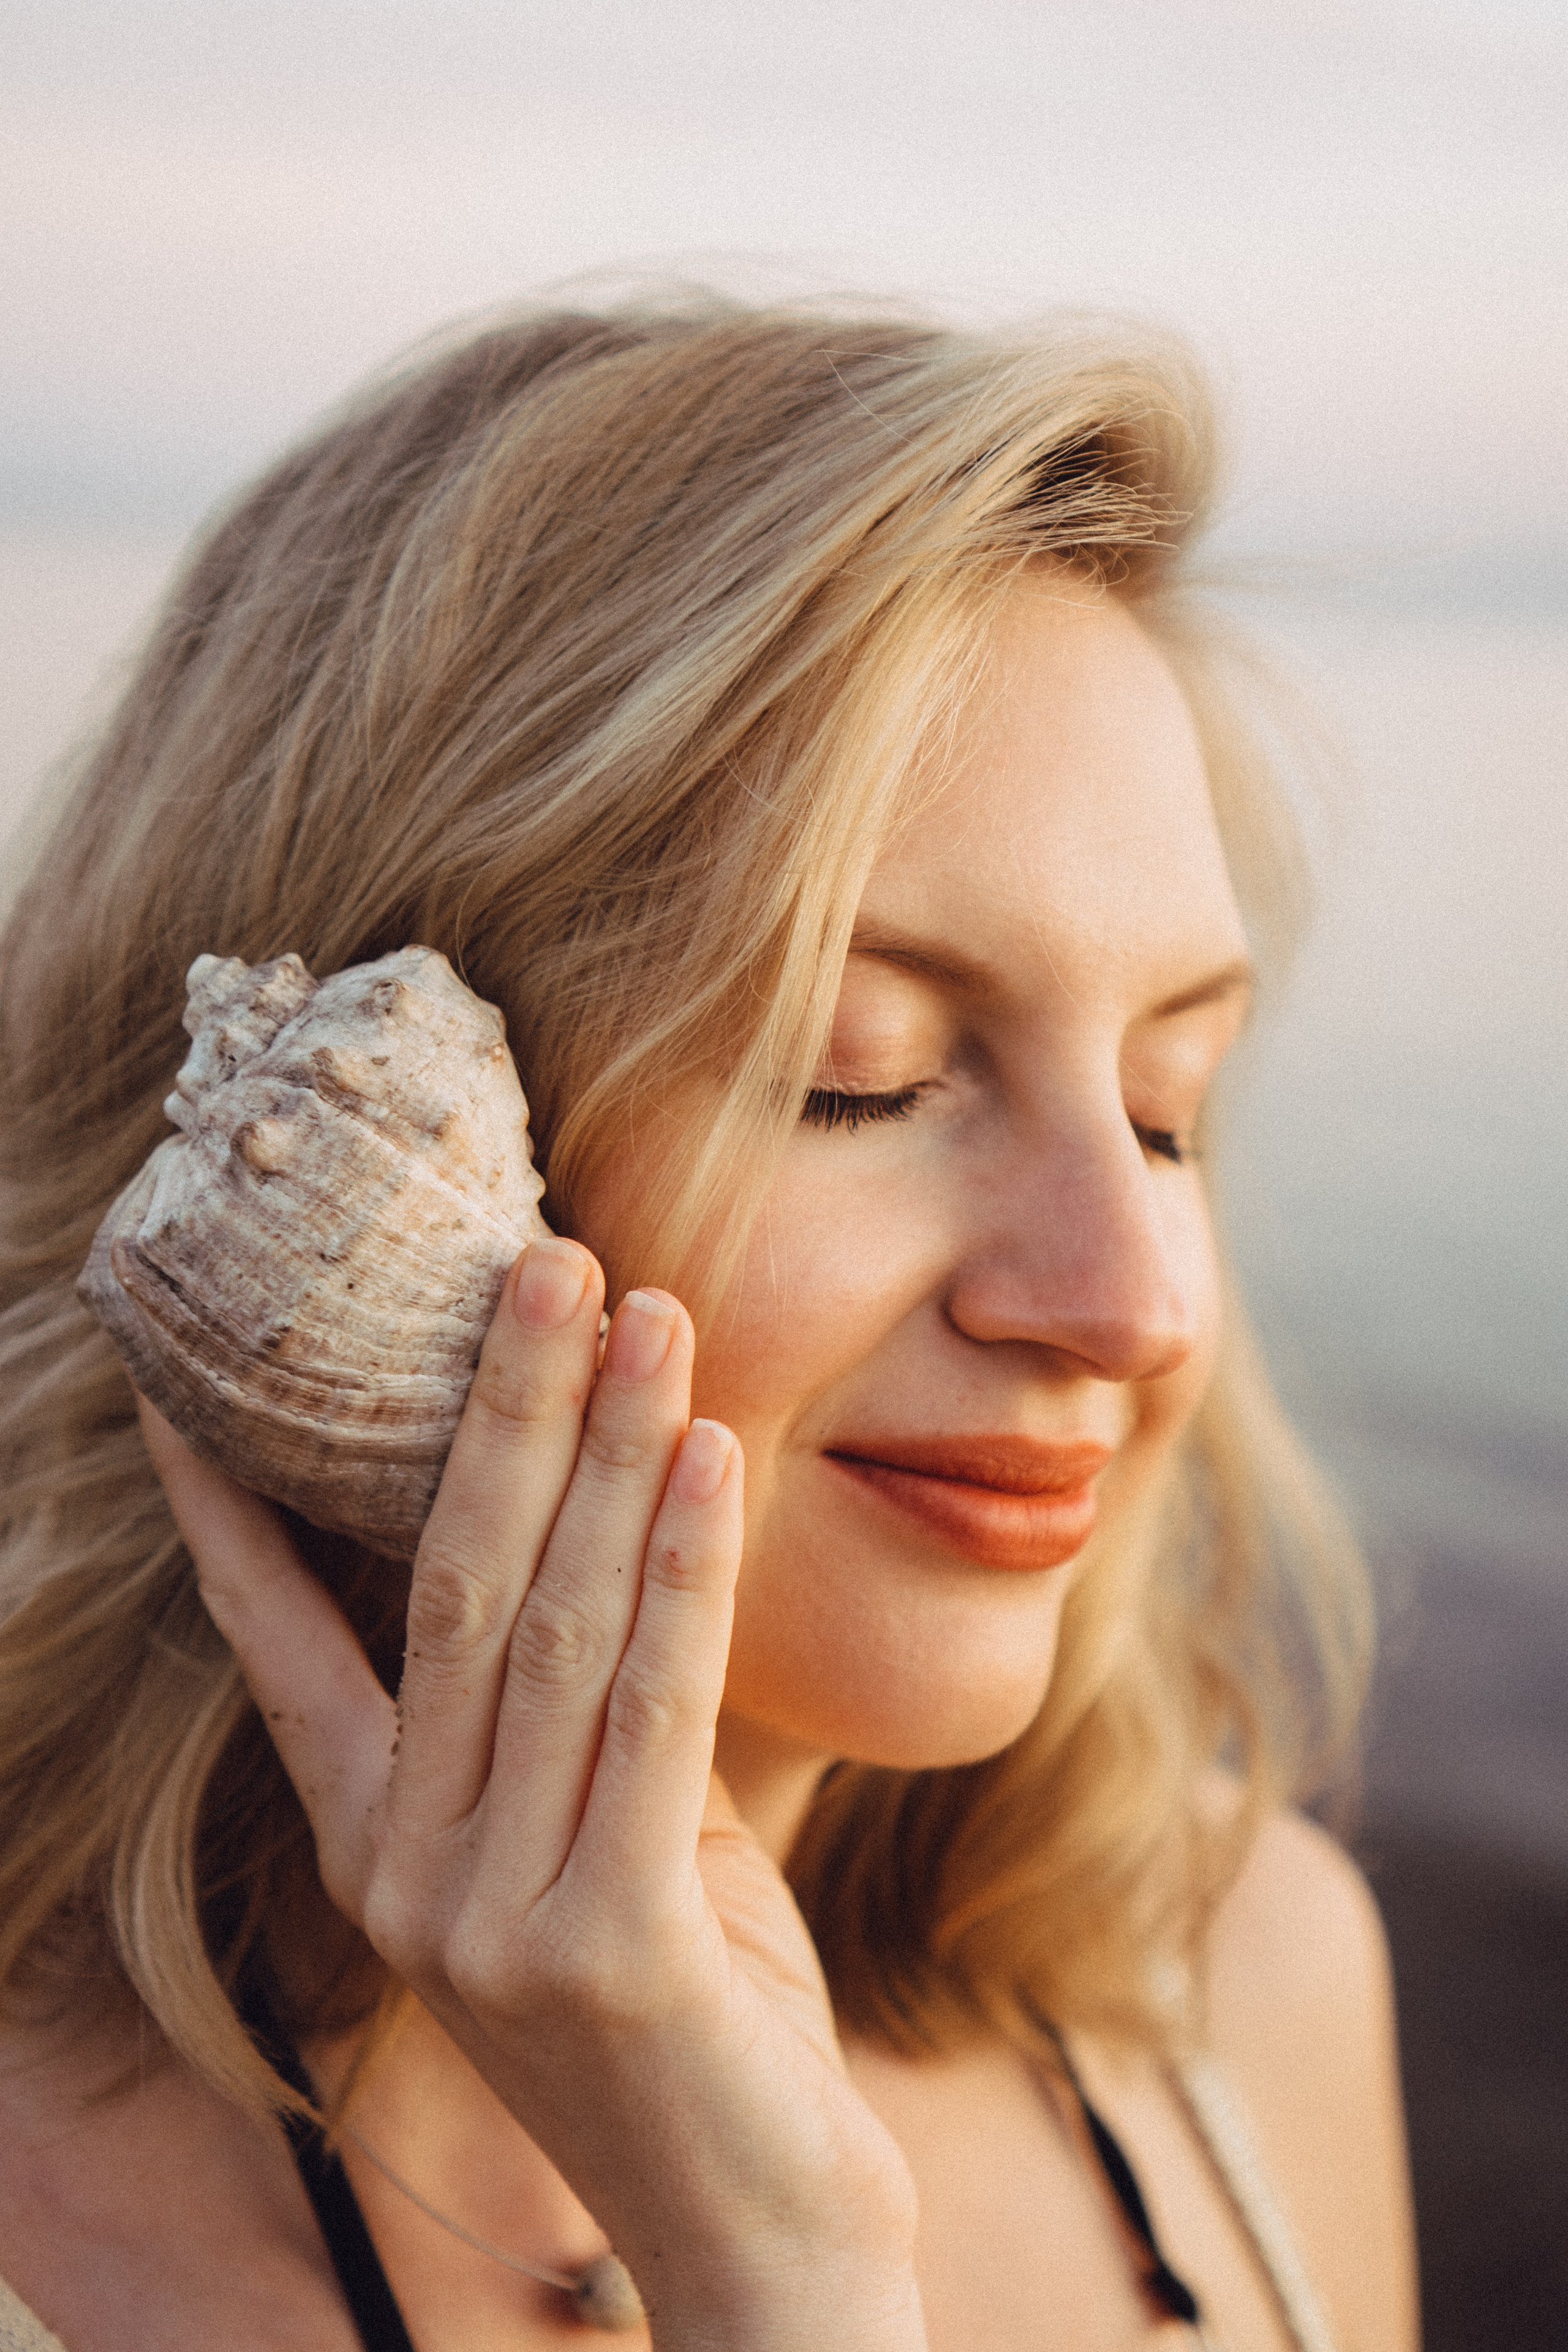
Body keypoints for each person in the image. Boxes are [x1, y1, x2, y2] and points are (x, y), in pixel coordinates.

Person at [0, 297, 1418, 2351]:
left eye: (1166, 1110)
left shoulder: (1250, 1980)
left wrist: (787, 2269)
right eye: (863, 1071)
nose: (1134, 1303)